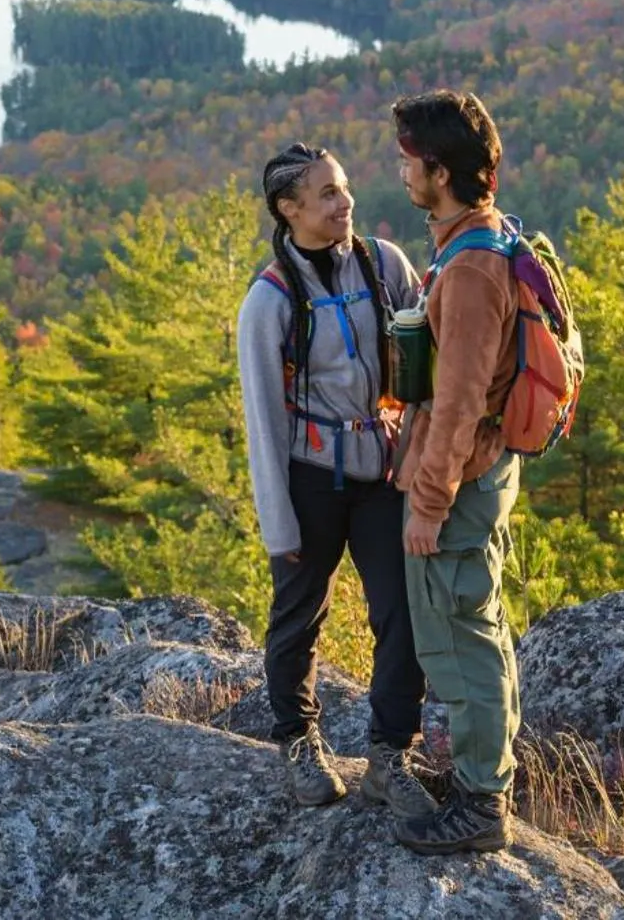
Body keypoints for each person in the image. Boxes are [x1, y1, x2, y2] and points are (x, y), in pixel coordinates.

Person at [239, 142, 437, 821]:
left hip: (381, 470)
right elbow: (264, 421)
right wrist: (279, 524)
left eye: (344, 186)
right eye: (326, 193)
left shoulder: (385, 264)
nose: (345, 201)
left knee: (403, 610)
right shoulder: (269, 301)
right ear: (288, 209)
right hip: (309, 479)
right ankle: (299, 742)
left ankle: (390, 755)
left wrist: (420, 454)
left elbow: (426, 361)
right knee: (299, 617)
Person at [388, 89, 522, 855]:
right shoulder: (482, 238)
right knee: (480, 625)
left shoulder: (470, 270)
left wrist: (429, 502)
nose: (402, 171)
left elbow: (460, 400)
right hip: (479, 471)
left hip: (461, 480)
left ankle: (481, 803)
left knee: (463, 638)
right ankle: (484, 779)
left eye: (410, 159)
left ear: (440, 171)